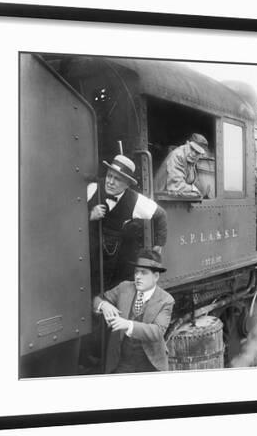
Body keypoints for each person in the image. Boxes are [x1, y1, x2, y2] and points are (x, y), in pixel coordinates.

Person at [87, 154, 167, 291]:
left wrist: (158, 245)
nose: (110, 182)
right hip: (88, 258)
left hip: (112, 263)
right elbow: (67, 216)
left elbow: (161, 214)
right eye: (109, 176)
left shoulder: (135, 200)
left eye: (117, 179)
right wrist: (89, 215)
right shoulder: (92, 188)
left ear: (127, 184)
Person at [93, 249, 175, 373]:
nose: (138, 277)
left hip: (150, 363)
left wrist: (128, 325)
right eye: (136, 272)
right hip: (121, 360)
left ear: (156, 276)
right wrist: (104, 305)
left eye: (143, 273)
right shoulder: (124, 288)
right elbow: (96, 300)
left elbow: (157, 331)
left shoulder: (166, 300)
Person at [154, 133, 208, 197]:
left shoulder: (190, 159)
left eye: (197, 152)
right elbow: (176, 185)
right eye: (192, 148)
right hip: (162, 199)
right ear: (187, 143)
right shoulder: (178, 155)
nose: (193, 154)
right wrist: (193, 188)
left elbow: (191, 181)